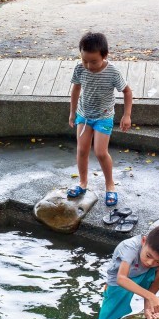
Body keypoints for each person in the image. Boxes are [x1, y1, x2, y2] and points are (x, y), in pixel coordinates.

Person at [67, 31, 133, 208]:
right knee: (82, 150)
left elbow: (127, 91)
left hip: (103, 116)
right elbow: (75, 90)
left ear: (104, 56)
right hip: (84, 115)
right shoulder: (80, 68)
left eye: (93, 61)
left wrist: (127, 115)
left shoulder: (112, 72)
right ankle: (82, 182)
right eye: (84, 60)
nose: (88, 65)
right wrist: (72, 113)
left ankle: (110, 185)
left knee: (101, 152)